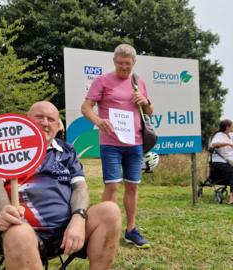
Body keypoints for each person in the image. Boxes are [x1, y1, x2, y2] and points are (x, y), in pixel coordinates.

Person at [0, 101, 121, 270]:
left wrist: (78, 217)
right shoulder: (8, 148)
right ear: (26, 120)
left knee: (110, 211)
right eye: (39, 117)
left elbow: (80, 188)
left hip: (66, 230)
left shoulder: (67, 151)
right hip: (21, 230)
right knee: (19, 234)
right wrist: (2, 209)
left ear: (58, 126)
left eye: (50, 119)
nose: (45, 123)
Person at [80, 44, 153, 249]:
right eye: (120, 64)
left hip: (135, 143)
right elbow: (85, 107)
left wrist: (145, 101)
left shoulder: (139, 82)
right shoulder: (102, 81)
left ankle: (131, 231)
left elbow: (149, 112)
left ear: (134, 63)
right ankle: (102, 231)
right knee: (112, 186)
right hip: (111, 143)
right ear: (114, 62)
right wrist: (99, 121)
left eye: (127, 65)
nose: (123, 68)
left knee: (132, 186)